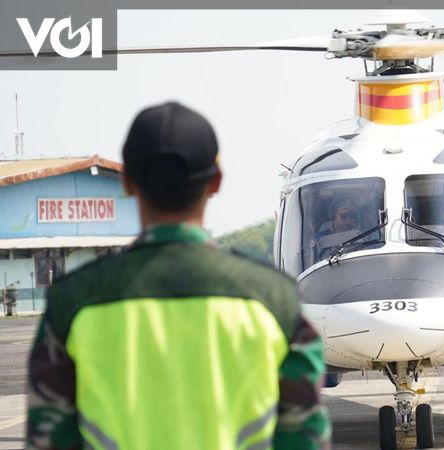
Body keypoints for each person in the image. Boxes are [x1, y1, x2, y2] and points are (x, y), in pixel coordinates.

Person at [26, 102, 330, 450]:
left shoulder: (74, 301)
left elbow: (49, 438)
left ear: (127, 182)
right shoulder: (274, 299)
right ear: (216, 182)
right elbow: (304, 437)